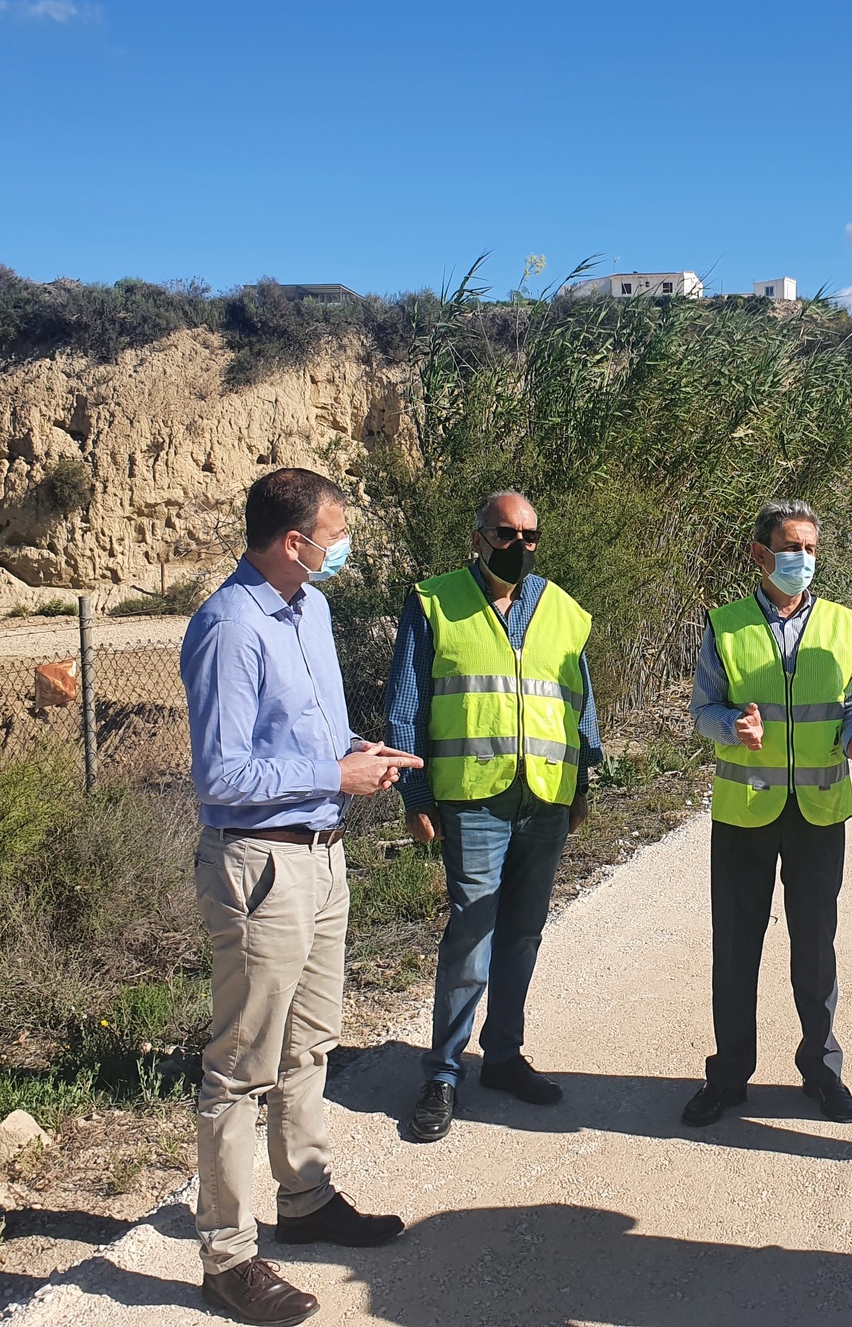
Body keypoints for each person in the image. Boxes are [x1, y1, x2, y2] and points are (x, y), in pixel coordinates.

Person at [180, 467, 422, 1326]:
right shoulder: (226, 627)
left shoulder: (310, 611)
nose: (340, 547)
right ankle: (226, 1255)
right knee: (240, 1062)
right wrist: (334, 772)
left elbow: (309, 732)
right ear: (293, 542)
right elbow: (222, 774)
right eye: (334, 533)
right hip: (262, 865)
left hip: (323, 857)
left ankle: (307, 1200)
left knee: (309, 1042)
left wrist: (364, 752)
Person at [387, 490, 603, 1143]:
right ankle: (444, 1073)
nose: (520, 547)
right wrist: (415, 796)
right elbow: (407, 703)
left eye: (531, 536)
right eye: (506, 534)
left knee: (522, 933)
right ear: (477, 537)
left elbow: (578, 704)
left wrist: (582, 786)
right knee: (472, 935)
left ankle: (503, 1058)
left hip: (544, 797)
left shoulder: (563, 610)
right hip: (471, 798)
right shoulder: (434, 601)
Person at [680, 498, 852, 1127]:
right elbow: (701, 709)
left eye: (811, 549)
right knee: (736, 948)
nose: (802, 559)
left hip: (820, 809)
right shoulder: (726, 625)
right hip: (746, 811)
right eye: (791, 547)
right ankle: (729, 1076)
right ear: (759, 553)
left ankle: (821, 1072)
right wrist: (730, 726)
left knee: (816, 948)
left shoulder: (844, 625)